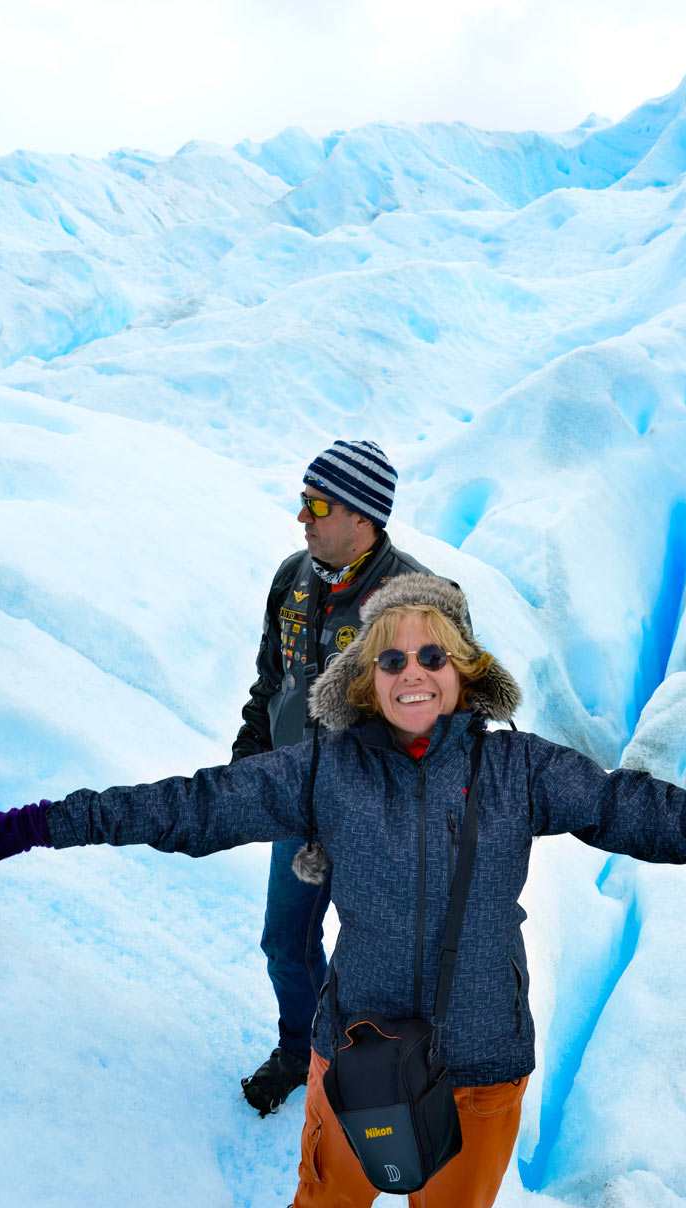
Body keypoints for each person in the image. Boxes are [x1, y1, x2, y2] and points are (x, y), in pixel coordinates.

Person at [1, 573, 686, 1208]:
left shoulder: (519, 769)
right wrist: (42, 823)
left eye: (433, 655)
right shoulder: (327, 769)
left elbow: (652, 813)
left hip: (482, 1067)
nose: (412, 673)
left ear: (465, 669)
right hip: (355, 1054)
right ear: (366, 677)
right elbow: (193, 806)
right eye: (391, 659)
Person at [231, 439, 439, 1115]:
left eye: (318, 506)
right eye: (303, 501)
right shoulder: (293, 578)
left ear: (363, 516)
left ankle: (387, 1080)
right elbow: (272, 682)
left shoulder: (418, 604)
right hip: (300, 807)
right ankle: (303, 1053)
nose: (303, 517)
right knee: (285, 942)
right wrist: (249, 761)